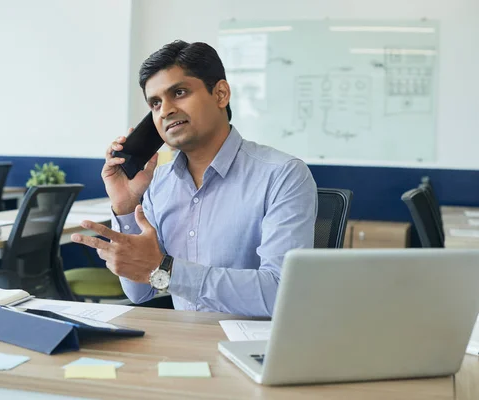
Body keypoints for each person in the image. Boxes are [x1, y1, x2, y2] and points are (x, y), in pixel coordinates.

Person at [71, 40, 317, 317]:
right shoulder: (158, 185)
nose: (165, 111)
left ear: (221, 94)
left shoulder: (283, 174)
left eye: (179, 92)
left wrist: (166, 270)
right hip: (184, 341)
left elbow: (280, 293)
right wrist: (126, 206)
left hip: (255, 348)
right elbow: (140, 293)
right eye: (155, 103)